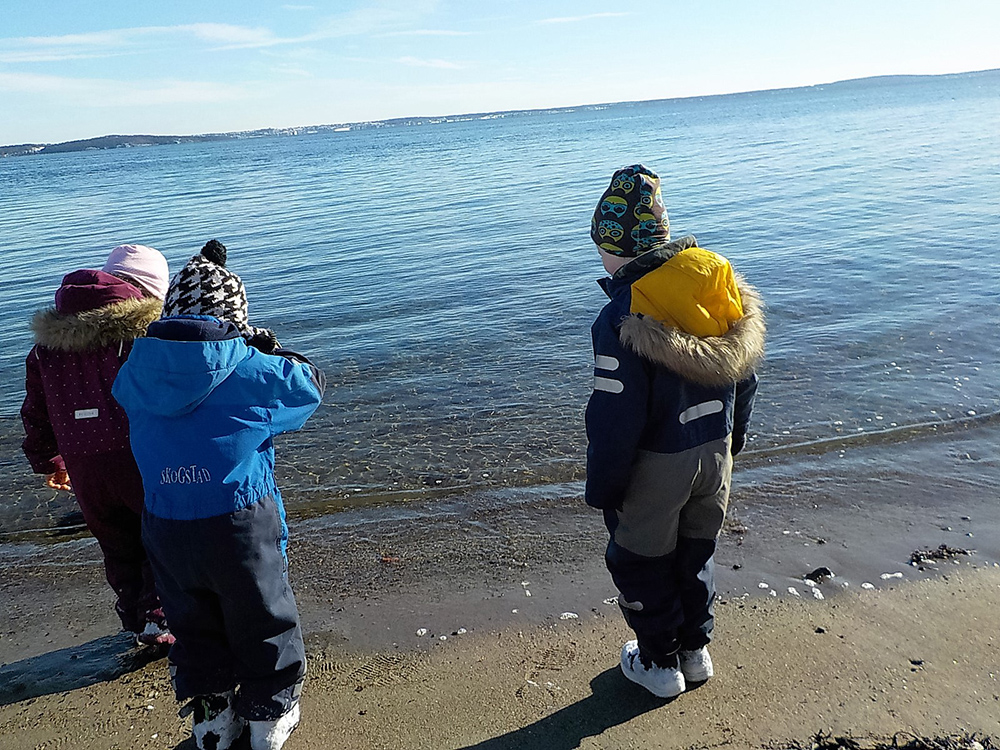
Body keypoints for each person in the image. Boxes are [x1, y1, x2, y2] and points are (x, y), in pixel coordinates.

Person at [113, 240, 324, 750]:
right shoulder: (248, 369)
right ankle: (268, 713)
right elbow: (308, 387)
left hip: (164, 520)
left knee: (190, 618)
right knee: (262, 612)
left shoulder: (134, 373)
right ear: (235, 318)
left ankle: (210, 716)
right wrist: (266, 349)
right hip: (238, 521)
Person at [585, 165, 765, 699]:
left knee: (640, 557)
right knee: (696, 549)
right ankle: (695, 649)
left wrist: (605, 486)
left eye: (602, 247)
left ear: (613, 246)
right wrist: (734, 441)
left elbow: (616, 418)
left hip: (656, 463)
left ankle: (659, 663)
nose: (600, 257)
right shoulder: (714, 288)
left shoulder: (622, 316)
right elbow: (744, 376)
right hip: (716, 453)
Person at [20, 244, 174, 647]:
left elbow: (35, 410)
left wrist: (49, 459)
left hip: (83, 461)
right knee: (160, 536)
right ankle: (159, 619)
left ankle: (134, 619)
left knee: (116, 543)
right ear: (147, 293)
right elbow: (164, 394)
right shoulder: (141, 335)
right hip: (137, 454)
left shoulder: (46, 346)